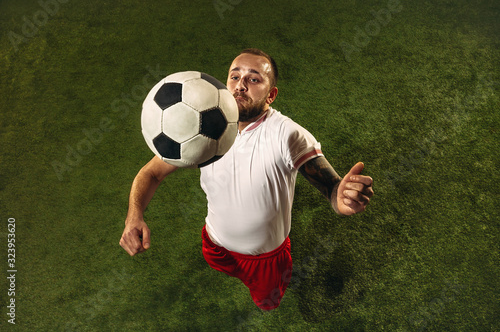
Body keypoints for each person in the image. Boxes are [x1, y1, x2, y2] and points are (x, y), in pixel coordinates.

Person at [119, 48, 374, 310]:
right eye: (234, 76)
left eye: (254, 79)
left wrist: (341, 198)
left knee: (267, 301)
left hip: (265, 260)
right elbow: (151, 172)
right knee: (219, 265)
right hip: (215, 243)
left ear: (271, 95)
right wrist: (133, 216)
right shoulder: (201, 126)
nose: (240, 85)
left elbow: (333, 189)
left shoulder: (287, 135)